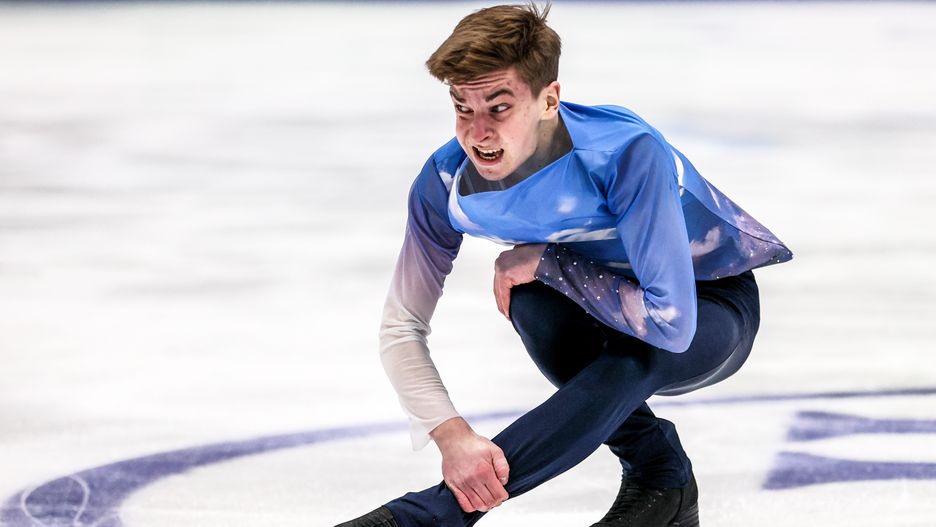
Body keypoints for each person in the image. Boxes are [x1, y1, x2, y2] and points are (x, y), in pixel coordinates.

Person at [337, 4, 792, 527]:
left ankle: (432, 515)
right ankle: (661, 478)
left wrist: (550, 262)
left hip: (707, 307)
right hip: (605, 309)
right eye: (462, 108)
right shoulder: (445, 183)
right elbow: (402, 325)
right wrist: (450, 433)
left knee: (633, 355)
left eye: (498, 108)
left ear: (549, 100)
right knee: (531, 300)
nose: (477, 133)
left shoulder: (624, 152)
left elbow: (671, 323)